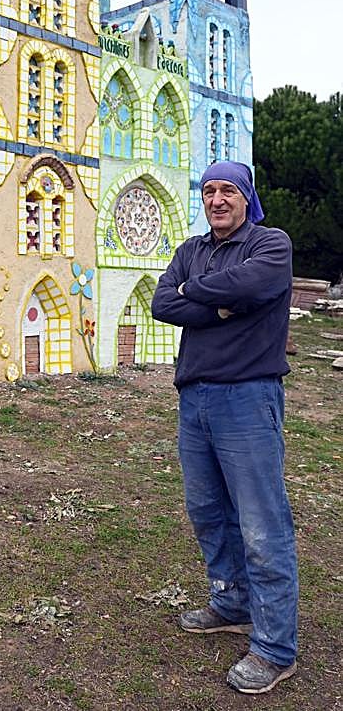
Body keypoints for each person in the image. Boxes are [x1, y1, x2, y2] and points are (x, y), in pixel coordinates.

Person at [151, 160, 298, 695]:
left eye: (228, 191)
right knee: (208, 510)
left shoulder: (271, 243)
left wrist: (194, 293)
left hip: (248, 396)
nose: (217, 200)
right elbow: (162, 302)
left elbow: (255, 283)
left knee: (261, 522)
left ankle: (276, 647)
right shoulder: (190, 251)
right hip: (196, 398)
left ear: (246, 198)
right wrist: (214, 306)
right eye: (210, 191)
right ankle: (232, 604)